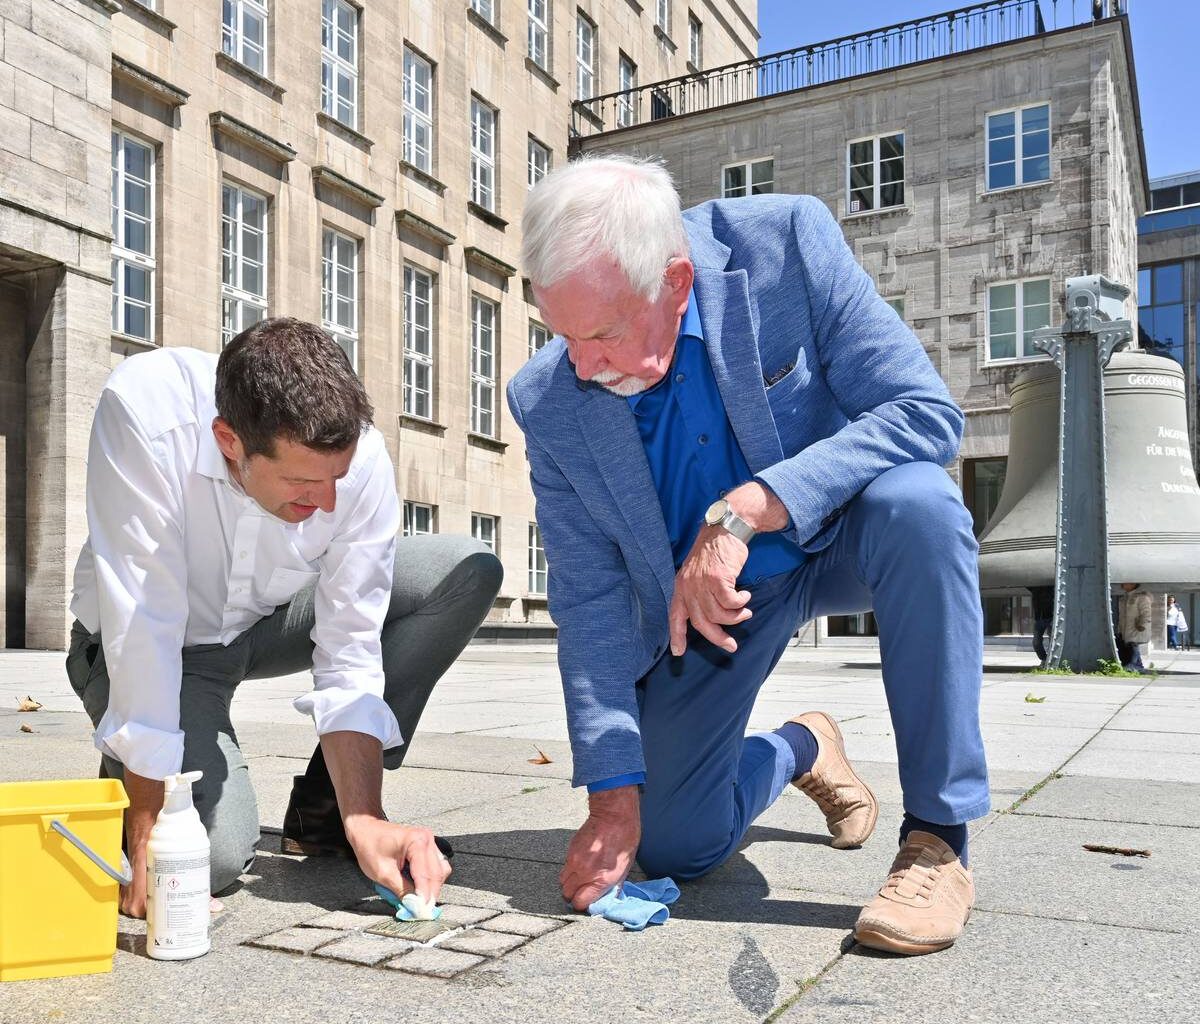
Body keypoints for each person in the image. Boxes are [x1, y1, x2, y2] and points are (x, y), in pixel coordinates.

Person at [508, 157, 989, 956]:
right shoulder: (546, 397)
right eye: (562, 335)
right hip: (710, 612)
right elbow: (589, 598)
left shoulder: (787, 246)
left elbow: (925, 412)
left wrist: (749, 508)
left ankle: (940, 838)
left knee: (923, 508)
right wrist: (611, 798)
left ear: (677, 279)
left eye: (602, 334)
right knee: (675, 845)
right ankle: (803, 745)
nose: (582, 365)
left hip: (839, 538)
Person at [67, 318, 503, 917]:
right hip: (149, 646)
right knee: (203, 865)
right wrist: (148, 832)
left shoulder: (360, 456)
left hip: (263, 620)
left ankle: (329, 810)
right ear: (230, 442)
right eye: (302, 482)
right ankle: (126, 767)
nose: (326, 502)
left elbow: (351, 644)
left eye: (337, 479)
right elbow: (144, 630)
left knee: (464, 570)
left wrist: (366, 818)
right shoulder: (145, 413)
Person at [1117, 582, 1152, 672]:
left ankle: (1132, 665)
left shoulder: (1142, 597)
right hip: (1126, 627)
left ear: (1133, 584)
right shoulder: (1124, 598)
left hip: (1136, 627)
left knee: (1133, 645)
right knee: (1129, 645)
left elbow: (1146, 613)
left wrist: (1143, 624)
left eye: (1126, 583)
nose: (1123, 584)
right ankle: (1139, 666)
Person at [1030, 585, 1054, 665]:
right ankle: (1044, 658)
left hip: (1050, 617)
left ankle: (1051, 659)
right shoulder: (1034, 588)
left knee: (1052, 639)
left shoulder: (1051, 587)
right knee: (1036, 642)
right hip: (1039, 619)